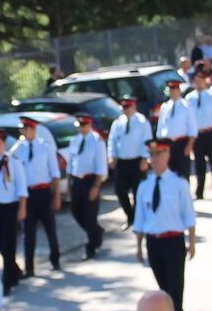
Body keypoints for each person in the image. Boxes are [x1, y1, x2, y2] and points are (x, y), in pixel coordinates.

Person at [134, 138, 196, 311]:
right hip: (154, 242)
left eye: (159, 154)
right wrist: (139, 246)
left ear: (168, 155)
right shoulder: (144, 186)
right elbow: (140, 219)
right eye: (152, 155)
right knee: (163, 287)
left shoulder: (179, 183)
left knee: (175, 288)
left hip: (173, 241)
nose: (155, 159)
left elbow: (188, 215)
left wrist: (192, 242)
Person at [12, 116, 62, 277]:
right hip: (28, 195)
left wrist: (56, 195)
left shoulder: (45, 147)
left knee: (50, 228)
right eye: (22, 129)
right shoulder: (17, 149)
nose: (24, 132)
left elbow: (54, 173)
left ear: (34, 129)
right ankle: (30, 268)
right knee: (29, 233)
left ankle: (55, 260)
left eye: (27, 128)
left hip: (44, 192)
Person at [0, 128, 28, 296]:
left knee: (9, 243)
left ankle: (7, 281)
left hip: (10, 207)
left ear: (4, 143)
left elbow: (21, 187)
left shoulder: (13, 162)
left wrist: (22, 207)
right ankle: (14, 270)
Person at [107, 97, 153, 227]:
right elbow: (112, 141)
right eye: (124, 107)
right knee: (120, 191)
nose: (126, 109)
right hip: (122, 162)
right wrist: (112, 156)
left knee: (138, 192)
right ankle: (130, 216)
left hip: (137, 161)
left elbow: (147, 141)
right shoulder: (118, 123)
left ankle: (138, 219)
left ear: (134, 106)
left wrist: (145, 158)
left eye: (128, 106)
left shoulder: (142, 122)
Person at [68, 114, 108, 259]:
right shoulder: (75, 140)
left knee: (89, 216)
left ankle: (91, 246)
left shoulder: (97, 141)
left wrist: (96, 186)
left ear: (89, 125)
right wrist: (69, 183)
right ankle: (97, 232)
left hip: (91, 181)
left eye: (84, 124)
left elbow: (101, 166)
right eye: (79, 125)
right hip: (77, 181)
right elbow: (71, 162)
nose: (81, 128)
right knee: (76, 212)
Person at [186, 70, 212, 199]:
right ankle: (200, 191)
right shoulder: (189, 99)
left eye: (201, 80)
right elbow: (187, 120)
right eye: (196, 80)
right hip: (197, 135)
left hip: (210, 133)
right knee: (199, 164)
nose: (199, 83)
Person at [156, 79, 197, 178]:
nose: (173, 92)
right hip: (167, 144)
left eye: (175, 89)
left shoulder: (186, 106)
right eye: (171, 89)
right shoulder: (165, 106)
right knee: (169, 174)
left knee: (183, 173)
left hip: (181, 143)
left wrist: (189, 145)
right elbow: (161, 126)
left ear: (179, 90)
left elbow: (192, 127)